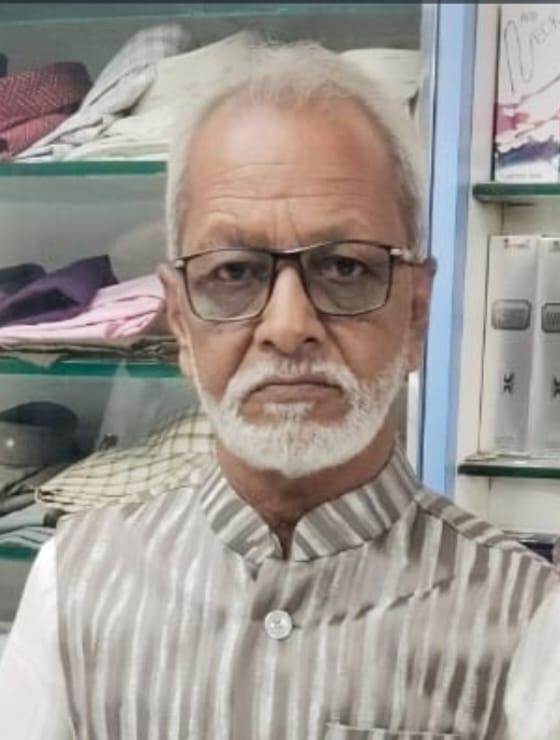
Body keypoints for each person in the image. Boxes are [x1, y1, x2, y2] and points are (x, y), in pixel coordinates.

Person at [0, 42, 558, 740]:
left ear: (415, 313)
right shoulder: (74, 588)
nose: (289, 327)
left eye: (345, 267)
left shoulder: (527, 620)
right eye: (234, 272)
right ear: (180, 320)